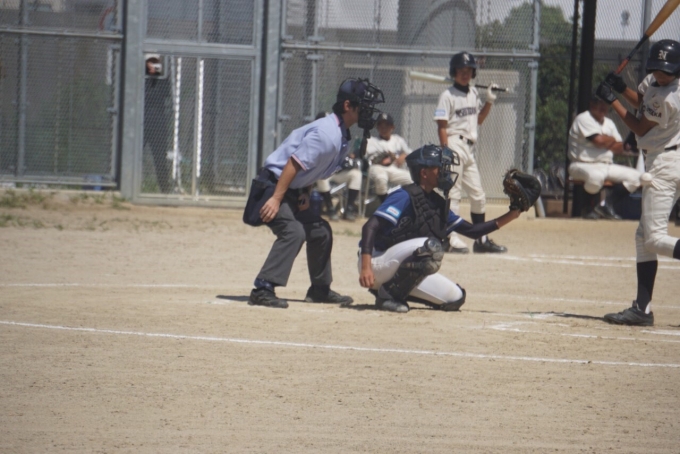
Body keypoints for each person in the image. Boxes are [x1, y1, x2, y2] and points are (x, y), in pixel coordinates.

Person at [243, 78, 384, 309]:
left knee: (320, 231)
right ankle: (262, 288)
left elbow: (313, 168)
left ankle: (320, 289)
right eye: (365, 106)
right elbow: (293, 164)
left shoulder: (342, 136)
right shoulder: (327, 133)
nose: (369, 112)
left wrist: (306, 191)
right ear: (347, 105)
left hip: (291, 189)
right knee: (294, 231)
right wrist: (276, 198)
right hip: (272, 186)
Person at [357, 144, 521, 313]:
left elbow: (473, 231)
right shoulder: (404, 195)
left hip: (395, 268)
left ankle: (393, 290)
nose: (445, 171)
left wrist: (514, 213)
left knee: (455, 298)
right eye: (440, 167)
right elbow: (370, 227)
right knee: (431, 247)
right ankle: (387, 295)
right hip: (376, 261)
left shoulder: (436, 203)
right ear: (424, 173)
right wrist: (366, 267)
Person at [596, 39, 680, 326]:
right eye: (656, 68)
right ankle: (642, 309)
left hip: (665, 164)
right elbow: (642, 100)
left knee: (653, 238)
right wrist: (621, 88)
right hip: (667, 160)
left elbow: (640, 127)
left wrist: (612, 101)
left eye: (666, 71)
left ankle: (642, 310)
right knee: (643, 237)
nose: (660, 75)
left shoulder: (670, 96)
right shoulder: (656, 84)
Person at [434, 51, 506, 254]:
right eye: (460, 70)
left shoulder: (474, 93)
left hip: (469, 148)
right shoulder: (447, 95)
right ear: (453, 72)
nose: (465, 74)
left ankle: (481, 240)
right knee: (454, 193)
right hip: (454, 144)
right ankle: (450, 238)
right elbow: (442, 126)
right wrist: (445, 151)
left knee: (478, 195)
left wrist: (489, 100)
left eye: (468, 70)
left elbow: (479, 120)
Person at [568, 94, 642, 220]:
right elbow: (599, 141)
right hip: (581, 164)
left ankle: (606, 205)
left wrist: (607, 141)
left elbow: (619, 148)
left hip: (606, 165)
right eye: (599, 104)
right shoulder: (583, 118)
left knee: (638, 177)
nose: (603, 107)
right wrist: (611, 140)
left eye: (606, 104)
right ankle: (588, 209)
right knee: (596, 176)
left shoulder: (609, 123)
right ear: (592, 105)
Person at [313, 112, 363, 221]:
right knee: (321, 177)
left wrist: (346, 161)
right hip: (323, 173)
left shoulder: (338, 135)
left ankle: (349, 209)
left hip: (337, 172)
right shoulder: (314, 138)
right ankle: (330, 208)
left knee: (356, 174)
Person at [365, 113, 413, 203]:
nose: (383, 128)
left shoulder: (397, 140)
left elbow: (409, 152)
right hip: (377, 167)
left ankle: (405, 202)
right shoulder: (371, 141)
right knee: (381, 178)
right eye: (380, 126)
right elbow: (363, 155)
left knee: (411, 179)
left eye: (386, 126)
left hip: (393, 169)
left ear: (392, 127)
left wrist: (403, 156)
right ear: (377, 127)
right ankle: (385, 204)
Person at [144, 54, 173, 193]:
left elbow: (166, 92)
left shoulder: (161, 81)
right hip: (143, 123)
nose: (152, 68)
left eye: (155, 65)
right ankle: (128, 185)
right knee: (133, 154)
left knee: (160, 158)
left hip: (158, 124)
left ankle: (165, 189)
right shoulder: (142, 81)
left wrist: (160, 74)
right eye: (149, 65)